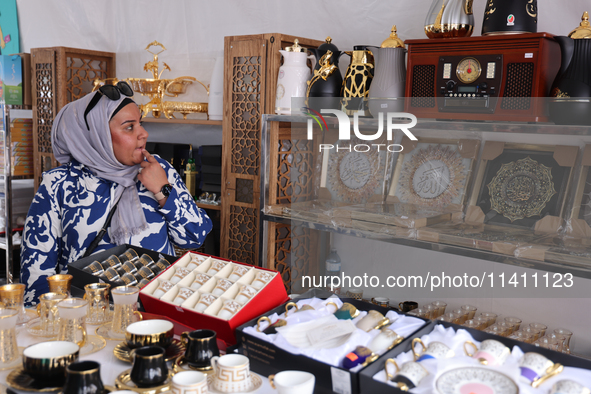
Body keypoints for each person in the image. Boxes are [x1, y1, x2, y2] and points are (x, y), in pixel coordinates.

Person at [20, 82, 212, 305]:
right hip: (87, 316)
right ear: (96, 135)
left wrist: (163, 191)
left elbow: (195, 236)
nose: (144, 133)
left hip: (155, 310)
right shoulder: (59, 184)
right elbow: (36, 271)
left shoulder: (158, 169)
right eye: (129, 127)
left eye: (141, 123)